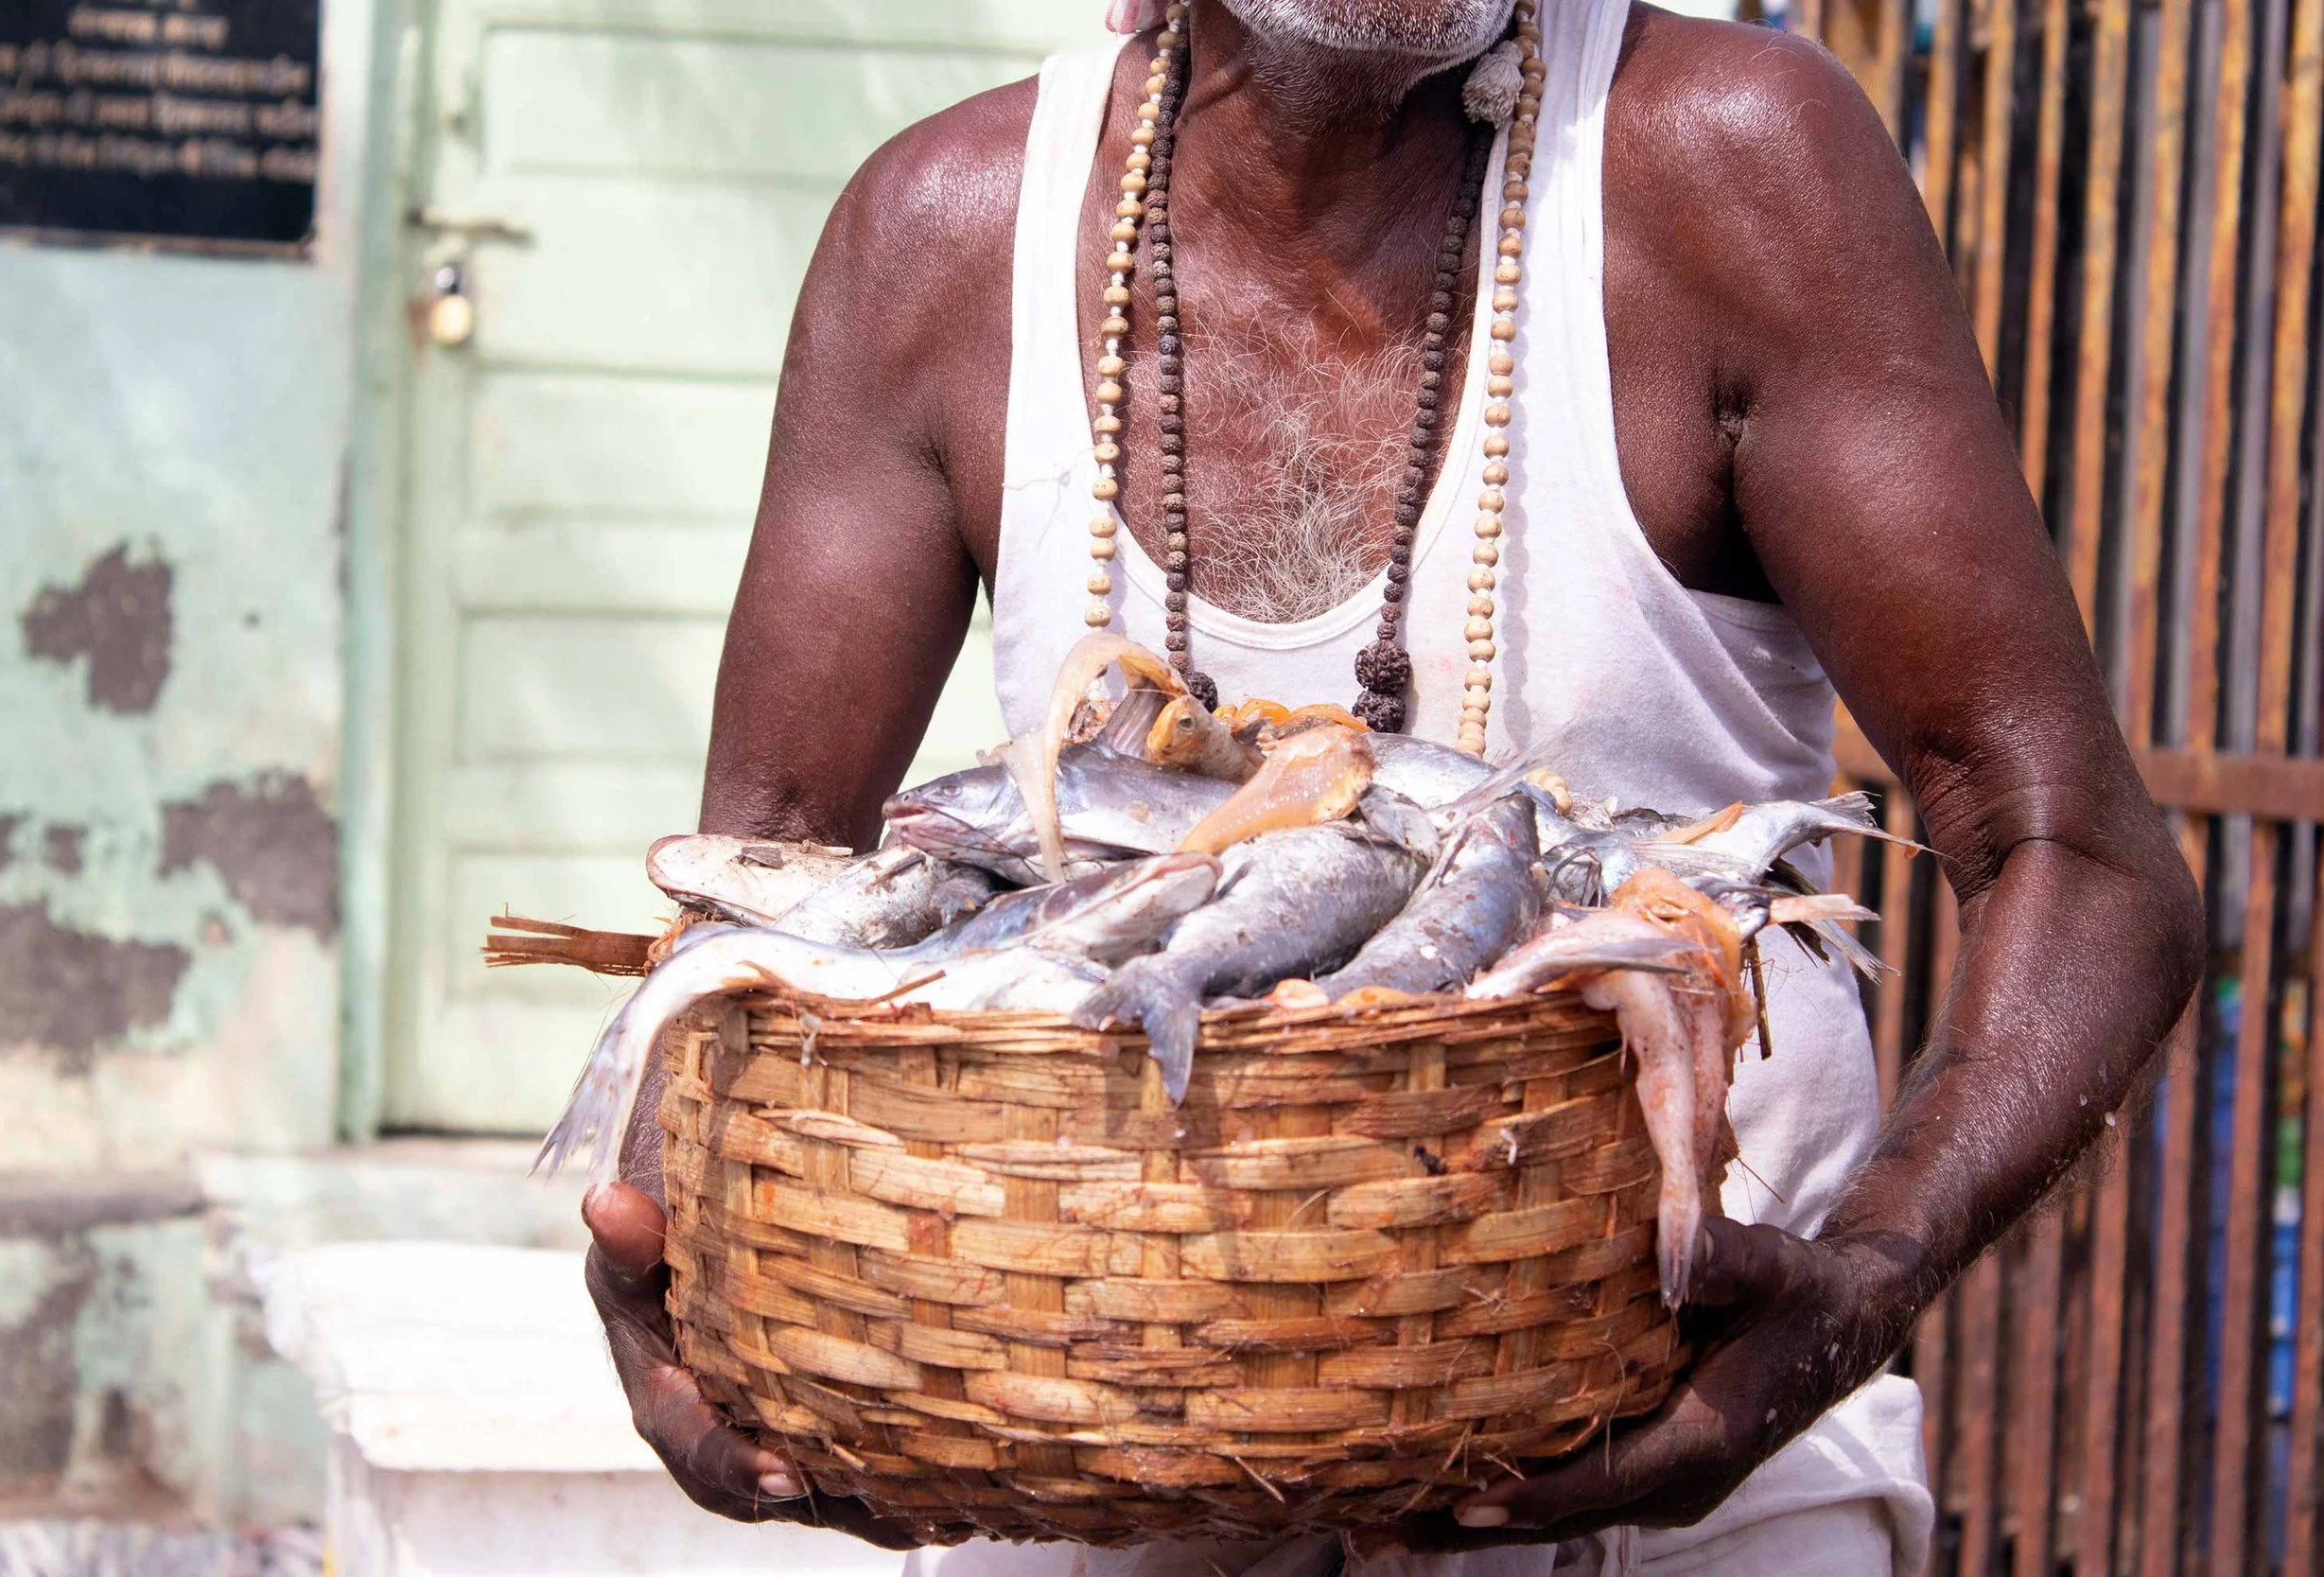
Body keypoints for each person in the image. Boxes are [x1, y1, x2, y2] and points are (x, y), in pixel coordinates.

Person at [580, 0, 2203, 1570]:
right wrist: (687, 1263)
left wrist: (1862, 1274)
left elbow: (2080, 856)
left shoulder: (1732, 164)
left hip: (1684, 1479)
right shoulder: (939, 240)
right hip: (1098, 1461)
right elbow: (761, 889)